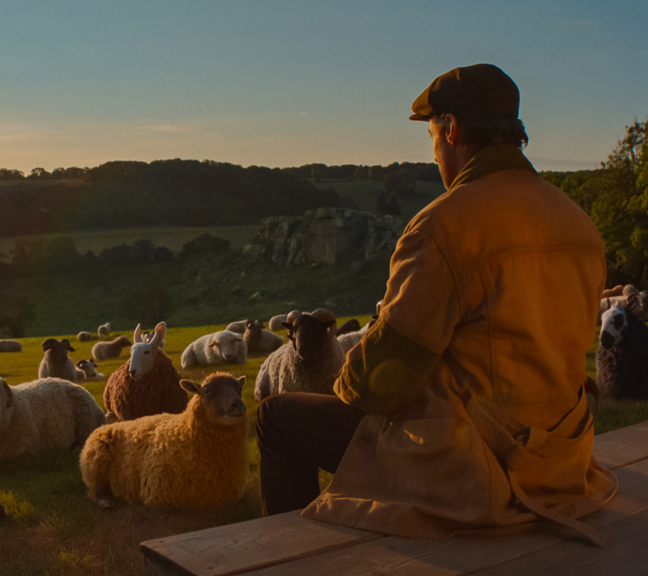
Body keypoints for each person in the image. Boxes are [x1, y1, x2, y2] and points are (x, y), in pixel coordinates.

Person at [256, 64, 617, 546]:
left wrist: (343, 380)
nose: (435, 153)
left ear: (452, 128)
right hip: (560, 461)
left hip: (476, 467)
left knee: (275, 416)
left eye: (432, 136)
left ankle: (293, 558)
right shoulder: (577, 223)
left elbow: (388, 373)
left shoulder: (444, 225)